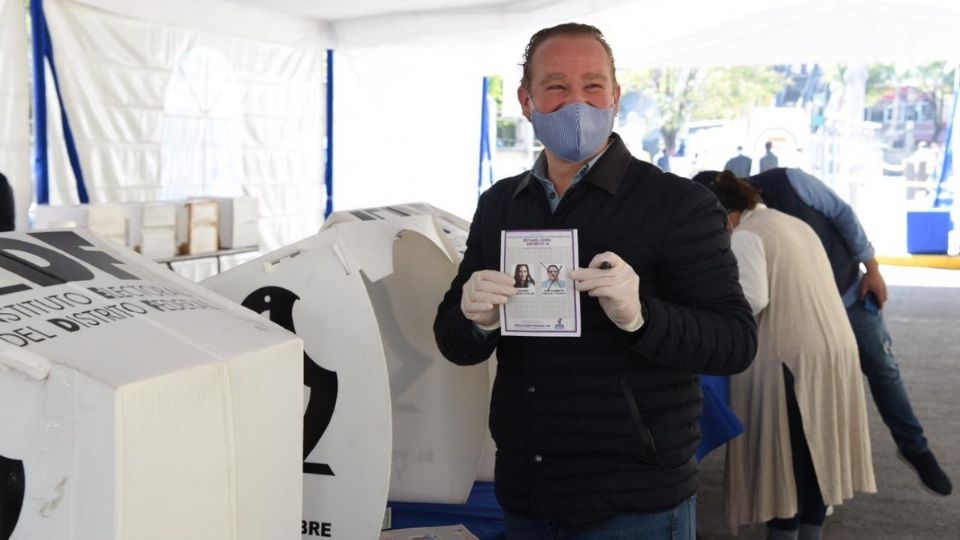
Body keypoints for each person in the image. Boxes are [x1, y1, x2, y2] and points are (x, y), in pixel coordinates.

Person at [433, 22, 757, 539]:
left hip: (634, 503)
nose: (576, 103)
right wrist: (474, 321)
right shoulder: (502, 203)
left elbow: (735, 343)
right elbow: (453, 341)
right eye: (556, 86)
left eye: (593, 86)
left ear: (615, 97)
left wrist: (642, 317)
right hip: (526, 492)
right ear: (526, 99)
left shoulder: (677, 205)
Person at [692, 168, 953, 496]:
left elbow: (843, 214)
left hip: (847, 293)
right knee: (813, 398)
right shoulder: (745, 229)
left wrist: (872, 268)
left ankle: (915, 448)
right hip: (801, 317)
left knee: (883, 369)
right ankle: (817, 485)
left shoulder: (789, 183)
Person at [707, 171, 876, 540]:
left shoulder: (748, 234)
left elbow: (752, 298)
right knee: (818, 457)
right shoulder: (792, 223)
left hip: (791, 357)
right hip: (833, 350)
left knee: (785, 463)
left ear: (727, 215)